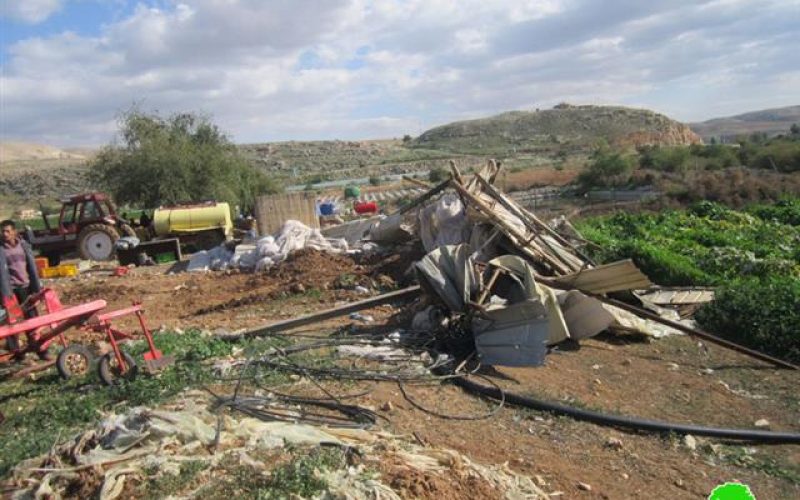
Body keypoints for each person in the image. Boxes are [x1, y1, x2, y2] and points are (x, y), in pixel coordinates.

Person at [0, 219, 49, 360]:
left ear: (14, 232)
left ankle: (40, 349)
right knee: (12, 322)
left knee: (32, 319)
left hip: (27, 287)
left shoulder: (23, 246)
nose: (5, 234)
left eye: (8, 231)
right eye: (2, 231)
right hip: (11, 291)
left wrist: (37, 286)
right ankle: (17, 354)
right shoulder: (1, 250)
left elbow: (31, 267)